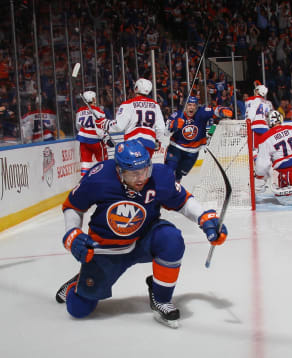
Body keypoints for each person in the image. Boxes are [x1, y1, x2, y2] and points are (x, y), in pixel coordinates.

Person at [55, 139, 228, 329]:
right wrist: (72, 233)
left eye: (145, 170)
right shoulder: (98, 177)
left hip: (144, 239)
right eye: (132, 174)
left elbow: (183, 201)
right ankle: (78, 282)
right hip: (107, 250)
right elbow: (73, 206)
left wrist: (204, 217)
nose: (140, 178)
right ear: (119, 171)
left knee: (171, 239)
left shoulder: (160, 177)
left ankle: (161, 297)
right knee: (78, 309)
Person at [165, 96, 232, 182]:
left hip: (192, 152)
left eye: (194, 105)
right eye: (189, 105)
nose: (191, 107)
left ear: (197, 107)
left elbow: (215, 110)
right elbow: (165, 133)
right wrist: (173, 125)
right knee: (169, 171)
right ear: (185, 106)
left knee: (179, 175)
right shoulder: (177, 115)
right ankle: (165, 191)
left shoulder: (202, 112)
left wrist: (222, 110)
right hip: (176, 147)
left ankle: (175, 192)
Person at [103, 78, 165, 157]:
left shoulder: (128, 104)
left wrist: (105, 124)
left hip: (132, 144)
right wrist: (158, 140)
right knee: (145, 168)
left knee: (130, 168)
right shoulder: (155, 105)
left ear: (136, 88)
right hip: (149, 143)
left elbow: (119, 126)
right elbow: (161, 128)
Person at [75, 91, 107, 176]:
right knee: (103, 161)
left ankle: (84, 181)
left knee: (85, 163)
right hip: (96, 140)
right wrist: (105, 137)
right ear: (93, 99)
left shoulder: (79, 111)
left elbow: (78, 126)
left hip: (83, 139)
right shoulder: (99, 111)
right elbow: (102, 127)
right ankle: (103, 178)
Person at [245, 82, 273, 149]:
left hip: (255, 127)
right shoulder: (267, 102)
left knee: (254, 149)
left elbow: (250, 113)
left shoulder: (251, 100)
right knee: (263, 149)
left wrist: (247, 123)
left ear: (257, 91)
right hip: (265, 128)